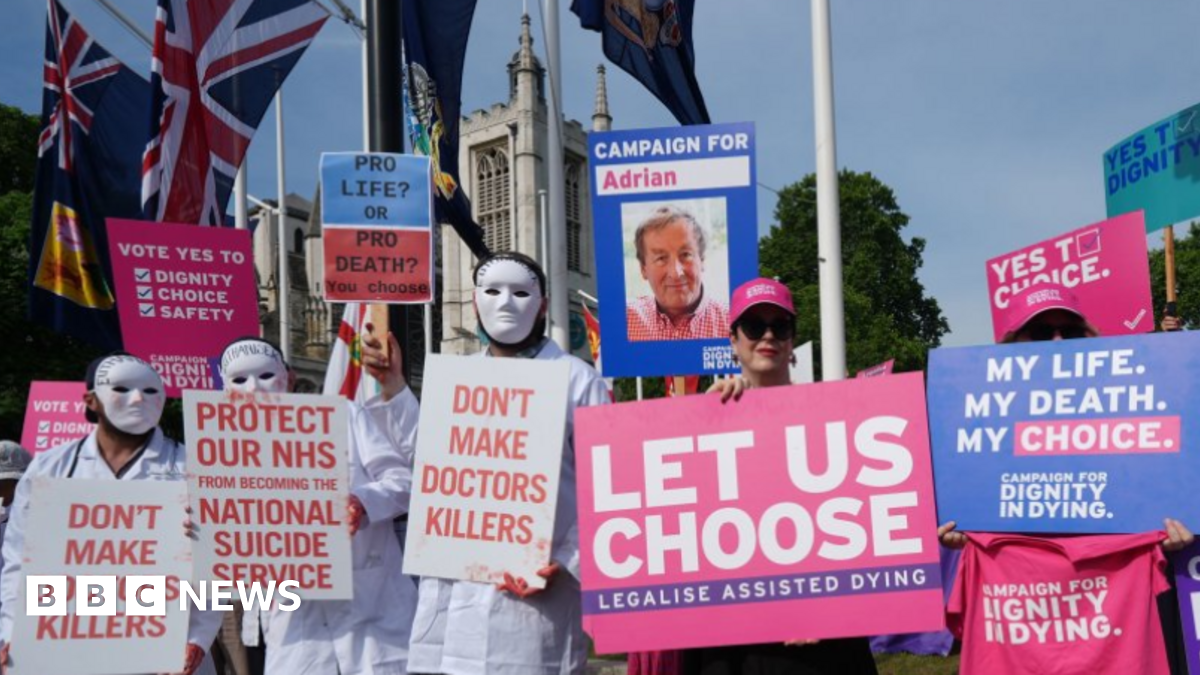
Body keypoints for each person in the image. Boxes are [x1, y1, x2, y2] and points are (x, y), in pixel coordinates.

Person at [937, 283, 1193, 675]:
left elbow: (1158, 493)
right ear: (1011, 343)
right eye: (1041, 332)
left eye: (1070, 333)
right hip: (1020, 618)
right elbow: (963, 509)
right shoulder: (974, 422)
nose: (1057, 342)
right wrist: (962, 533)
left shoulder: (1128, 406)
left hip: (1115, 621)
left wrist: (1175, 533)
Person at [406, 252, 610, 675]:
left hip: (537, 607)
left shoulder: (578, 380)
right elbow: (430, 477)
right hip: (459, 605)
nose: (505, 304)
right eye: (492, 291)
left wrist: (565, 560)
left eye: (520, 293)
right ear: (476, 300)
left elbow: (609, 487)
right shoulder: (455, 382)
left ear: (543, 305)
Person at [697, 277, 879, 675]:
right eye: (753, 326)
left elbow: (859, 522)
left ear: (792, 340)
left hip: (825, 639)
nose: (767, 335)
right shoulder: (708, 416)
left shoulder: (832, 417)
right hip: (733, 638)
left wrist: (819, 606)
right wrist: (706, 420)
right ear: (732, 339)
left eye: (779, 327)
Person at [0, 353, 221, 675]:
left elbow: (215, 564)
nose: (137, 399)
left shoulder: (194, 468)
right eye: (122, 389)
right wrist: (10, 634)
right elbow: (18, 560)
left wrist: (198, 638)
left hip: (167, 653)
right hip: (71, 650)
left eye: (150, 390)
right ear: (91, 400)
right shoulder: (50, 468)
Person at [216, 336, 418, 675]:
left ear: (289, 377)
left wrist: (364, 502)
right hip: (297, 634)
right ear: (224, 389)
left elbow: (404, 483)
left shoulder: (343, 416)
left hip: (374, 616)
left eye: (266, 376)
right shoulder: (221, 459)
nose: (253, 390)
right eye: (238, 380)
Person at [627, 206, 729, 342]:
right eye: (661, 258)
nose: (676, 273)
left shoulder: (734, 323)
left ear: (702, 259)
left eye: (685, 255)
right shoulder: (624, 320)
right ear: (643, 269)